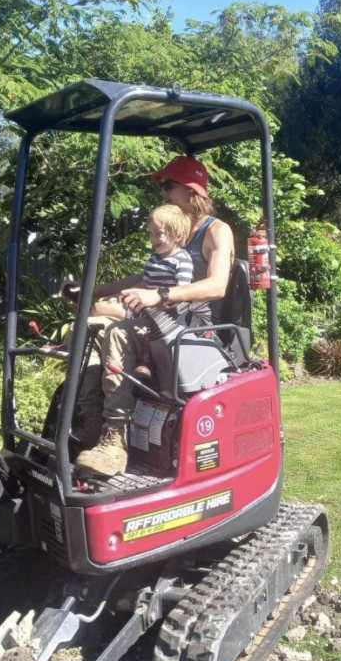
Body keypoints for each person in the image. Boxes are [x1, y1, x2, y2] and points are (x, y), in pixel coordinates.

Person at [74, 156, 235, 478]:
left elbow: (217, 286)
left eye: (168, 186)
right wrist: (90, 290)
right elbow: (145, 279)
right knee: (91, 325)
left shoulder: (217, 231)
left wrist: (160, 296)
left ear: (191, 191)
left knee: (118, 333)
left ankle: (115, 442)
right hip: (162, 321)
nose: (162, 193)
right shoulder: (174, 231)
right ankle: (90, 420)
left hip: (193, 328)